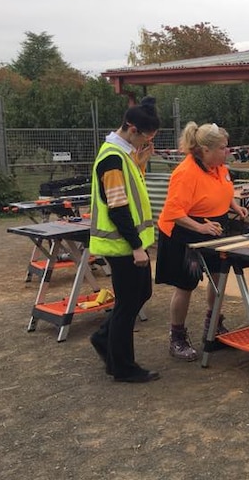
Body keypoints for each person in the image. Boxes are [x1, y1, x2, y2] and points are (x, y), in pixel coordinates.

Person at [155, 122, 249, 361]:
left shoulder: (219, 167)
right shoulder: (185, 173)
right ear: (205, 150)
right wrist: (200, 226)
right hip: (184, 232)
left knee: (218, 276)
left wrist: (236, 208)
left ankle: (214, 325)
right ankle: (177, 337)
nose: (226, 151)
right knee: (185, 285)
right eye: (222, 148)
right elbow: (173, 211)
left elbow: (224, 192)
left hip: (213, 228)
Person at [88, 96, 161, 383]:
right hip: (121, 244)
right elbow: (117, 207)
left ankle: (104, 339)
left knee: (140, 295)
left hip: (129, 243)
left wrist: (141, 164)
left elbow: (130, 196)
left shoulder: (125, 156)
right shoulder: (112, 159)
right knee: (129, 303)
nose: (145, 143)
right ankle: (123, 366)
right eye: (146, 138)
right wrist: (136, 247)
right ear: (132, 129)